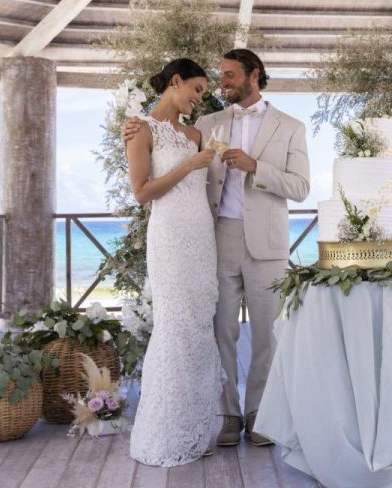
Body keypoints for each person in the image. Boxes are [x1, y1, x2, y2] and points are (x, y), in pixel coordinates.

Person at [124, 48, 310, 447]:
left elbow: (300, 187)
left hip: (268, 244)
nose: (221, 83)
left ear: (253, 75)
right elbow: (160, 136)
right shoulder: (205, 124)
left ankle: (261, 412)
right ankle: (227, 413)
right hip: (213, 236)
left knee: (267, 335)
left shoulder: (291, 127)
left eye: (228, 76)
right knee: (220, 330)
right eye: (219, 77)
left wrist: (256, 166)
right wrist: (130, 127)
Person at [126, 58, 223, 466]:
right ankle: (163, 435)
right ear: (175, 81)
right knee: (174, 328)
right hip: (168, 239)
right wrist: (189, 165)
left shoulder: (197, 133)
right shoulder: (140, 129)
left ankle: (195, 427)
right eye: (196, 89)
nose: (199, 98)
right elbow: (142, 192)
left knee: (199, 328)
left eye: (203, 93)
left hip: (202, 240)